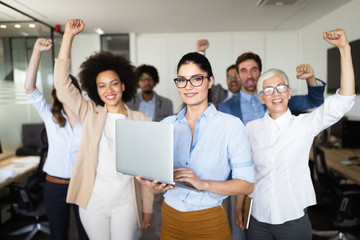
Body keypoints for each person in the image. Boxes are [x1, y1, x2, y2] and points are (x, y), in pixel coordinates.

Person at [237, 29, 355, 240]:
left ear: (289, 93)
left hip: (292, 220)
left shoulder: (304, 125)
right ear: (261, 98)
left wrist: (344, 49)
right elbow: (244, 171)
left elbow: (343, 100)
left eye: (281, 87)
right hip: (257, 218)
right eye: (269, 90)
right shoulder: (250, 129)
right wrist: (240, 204)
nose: (276, 94)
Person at [137, 52, 255, 240]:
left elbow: (247, 185)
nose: (188, 86)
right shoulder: (166, 125)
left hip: (208, 219)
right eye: (182, 80)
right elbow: (156, 185)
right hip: (170, 217)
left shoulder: (230, 125)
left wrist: (203, 184)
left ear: (210, 82)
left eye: (196, 79)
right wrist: (154, 187)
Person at [53, 19, 154, 240]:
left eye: (114, 83)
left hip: (126, 201)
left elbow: (148, 171)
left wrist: (148, 207)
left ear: (123, 85)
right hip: (93, 200)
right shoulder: (89, 113)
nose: (109, 90)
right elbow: (62, 84)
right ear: (96, 90)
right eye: (102, 85)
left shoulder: (142, 120)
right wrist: (68, 36)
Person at [24, 38, 88, 240]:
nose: (65, 92)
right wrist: (36, 52)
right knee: (58, 235)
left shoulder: (90, 117)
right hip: (55, 185)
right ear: (56, 93)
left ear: (76, 91)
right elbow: (29, 87)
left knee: (87, 234)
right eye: (60, 88)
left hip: (82, 184)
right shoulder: (50, 116)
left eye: (69, 87)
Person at [126, 64, 173, 238]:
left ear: (155, 81)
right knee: (135, 198)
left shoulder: (166, 104)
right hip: (135, 156)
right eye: (143, 79)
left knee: (159, 198)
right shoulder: (129, 103)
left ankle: (162, 233)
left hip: (157, 156)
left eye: (149, 78)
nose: (146, 82)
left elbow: (169, 130)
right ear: (138, 82)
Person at [219, 51, 326, 125]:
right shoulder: (225, 108)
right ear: (238, 75)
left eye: (254, 70)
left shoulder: (278, 99)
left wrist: (310, 78)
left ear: (260, 72)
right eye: (244, 71)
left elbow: (314, 101)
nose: (249, 76)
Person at [196, 39, 241, 105]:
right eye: (230, 76)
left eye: (236, 76)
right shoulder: (218, 92)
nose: (233, 79)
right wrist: (201, 53)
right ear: (226, 79)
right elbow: (202, 78)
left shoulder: (250, 97)